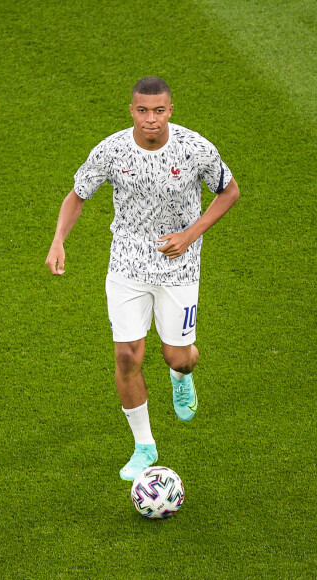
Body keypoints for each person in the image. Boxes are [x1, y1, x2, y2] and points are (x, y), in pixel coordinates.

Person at [45, 76, 239, 480]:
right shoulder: (112, 149)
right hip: (127, 266)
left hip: (179, 268)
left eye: (159, 110)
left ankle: (180, 376)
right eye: (142, 110)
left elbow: (229, 191)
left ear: (171, 110)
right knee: (126, 355)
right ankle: (144, 446)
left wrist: (190, 234)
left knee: (178, 357)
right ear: (131, 110)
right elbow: (78, 195)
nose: (151, 119)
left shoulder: (194, 148)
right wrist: (59, 239)